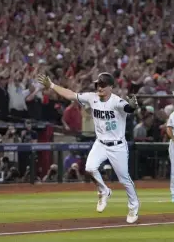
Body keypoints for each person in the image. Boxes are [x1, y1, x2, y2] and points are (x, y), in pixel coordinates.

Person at [38, 72, 140, 224]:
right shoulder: (92, 97)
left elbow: (127, 108)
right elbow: (71, 94)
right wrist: (52, 85)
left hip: (117, 145)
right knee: (90, 168)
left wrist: (132, 106)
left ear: (111, 87)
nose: (100, 87)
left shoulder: (116, 101)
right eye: (98, 84)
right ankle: (104, 191)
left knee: (124, 179)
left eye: (103, 85)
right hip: (100, 143)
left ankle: (133, 207)